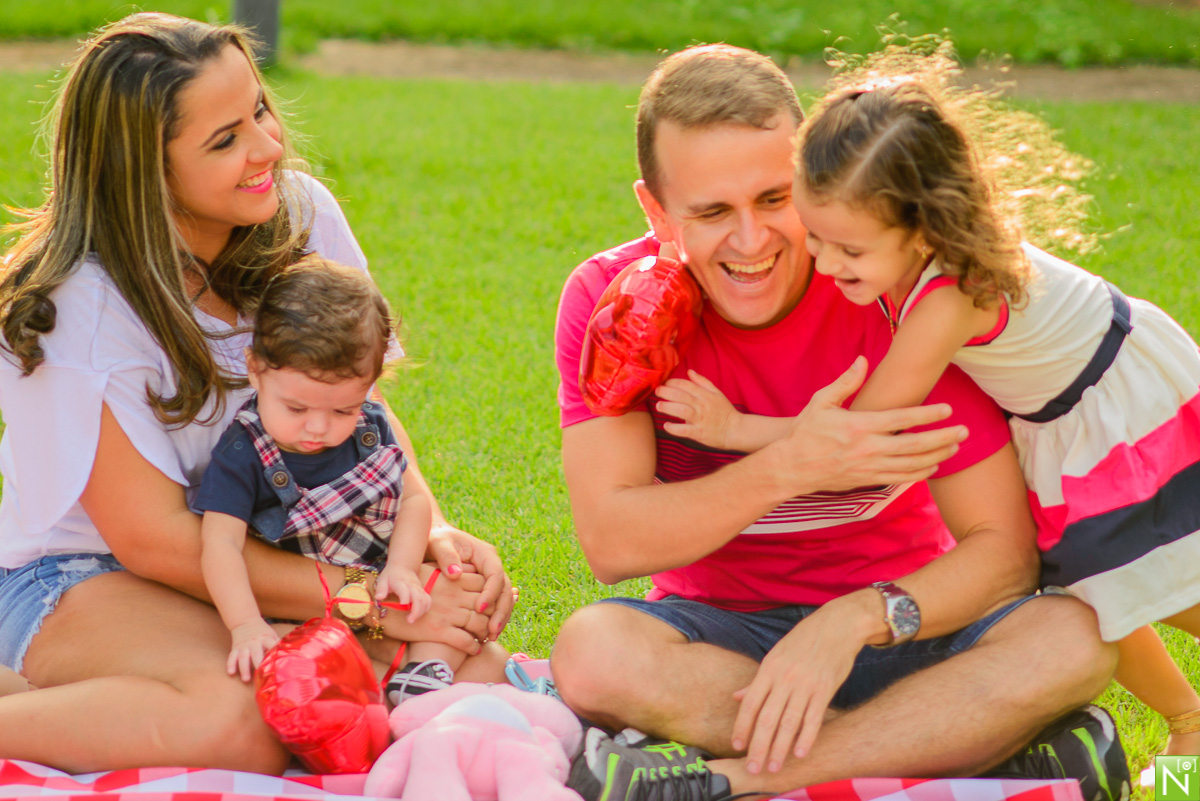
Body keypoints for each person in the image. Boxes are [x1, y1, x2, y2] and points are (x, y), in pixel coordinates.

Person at [551, 43, 1125, 801]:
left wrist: (854, 620)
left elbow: (1005, 553)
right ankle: (961, 745)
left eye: (774, 199)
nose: (752, 241)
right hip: (727, 640)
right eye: (714, 212)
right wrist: (795, 462)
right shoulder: (616, 302)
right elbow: (613, 542)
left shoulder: (895, 283)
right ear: (655, 211)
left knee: (1077, 637)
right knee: (594, 652)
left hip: (908, 622)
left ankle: (734, 780)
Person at [0, 13, 511, 773]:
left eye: (260, 112)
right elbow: (155, 540)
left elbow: (357, 413)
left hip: (277, 549)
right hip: (94, 572)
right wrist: (367, 597)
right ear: (143, 171)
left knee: (467, 665)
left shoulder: (298, 214)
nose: (268, 147)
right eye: (225, 140)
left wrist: (430, 539)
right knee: (245, 718)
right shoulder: (73, 305)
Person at [664, 43, 1200, 759]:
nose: (825, 265)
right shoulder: (915, 258)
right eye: (816, 237)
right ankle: (1189, 721)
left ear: (921, 230)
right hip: (1056, 415)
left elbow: (863, 431)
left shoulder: (947, 299)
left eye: (849, 251)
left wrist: (735, 429)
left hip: (1112, 404)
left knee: (1166, 575)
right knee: (1094, 586)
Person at [198, 257, 470, 703]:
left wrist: (402, 568)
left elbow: (413, 501)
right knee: (288, 640)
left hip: (381, 576)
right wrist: (245, 624)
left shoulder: (371, 423)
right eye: (297, 409)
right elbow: (220, 544)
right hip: (307, 600)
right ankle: (379, 678)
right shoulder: (243, 452)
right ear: (254, 369)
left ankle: (422, 676)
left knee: (460, 586)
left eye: (343, 410)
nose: (318, 429)